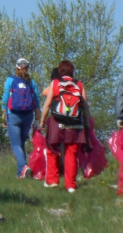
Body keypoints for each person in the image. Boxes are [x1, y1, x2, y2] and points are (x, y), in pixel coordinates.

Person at [39, 60, 91, 193]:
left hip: (57, 122)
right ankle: (71, 185)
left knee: (52, 150)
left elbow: (47, 103)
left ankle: (52, 181)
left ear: (60, 71)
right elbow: (85, 106)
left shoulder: (55, 83)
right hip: (74, 124)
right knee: (71, 154)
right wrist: (86, 123)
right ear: (72, 71)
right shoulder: (79, 84)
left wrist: (42, 121)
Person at [1, 58, 41, 179]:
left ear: (16, 67)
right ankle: (21, 173)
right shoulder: (31, 82)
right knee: (22, 143)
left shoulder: (10, 80)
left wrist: (3, 113)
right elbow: (37, 100)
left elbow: (5, 97)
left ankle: (23, 166)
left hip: (13, 115)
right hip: (28, 116)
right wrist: (38, 117)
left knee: (16, 144)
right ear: (27, 68)